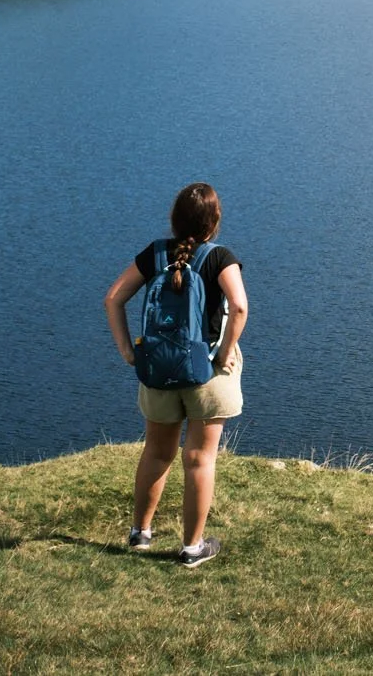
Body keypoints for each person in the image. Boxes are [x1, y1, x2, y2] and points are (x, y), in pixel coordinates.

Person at [104, 181, 248, 568]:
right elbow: (238, 307)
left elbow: (113, 298)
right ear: (214, 221)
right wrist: (221, 353)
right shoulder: (220, 258)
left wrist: (128, 352)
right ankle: (192, 547)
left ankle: (140, 533)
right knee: (199, 459)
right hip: (207, 376)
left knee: (157, 452)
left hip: (158, 368)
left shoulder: (154, 254)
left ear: (174, 219)